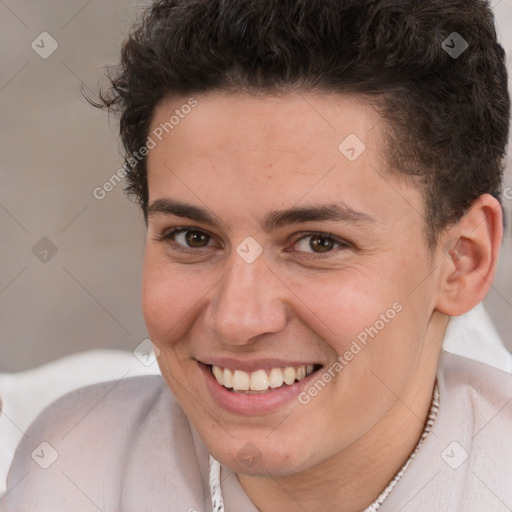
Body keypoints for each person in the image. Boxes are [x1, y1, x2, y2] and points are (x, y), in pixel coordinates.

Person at [2, 0, 511, 510]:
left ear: (462, 260)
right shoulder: (71, 472)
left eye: (318, 243)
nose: (237, 320)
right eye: (192, 237)